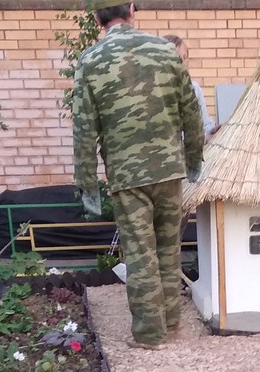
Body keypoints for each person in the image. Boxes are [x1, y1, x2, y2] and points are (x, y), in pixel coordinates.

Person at [74, 0, 203, 351]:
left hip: (126, 175)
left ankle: (150, 335)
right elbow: (190, 111)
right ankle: (171, 323)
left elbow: (84, 128)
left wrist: (87, 183)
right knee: (168, 249)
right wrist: (194, 159)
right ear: (131, 9)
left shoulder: (90, 61)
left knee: (140, 254)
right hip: (169, 169)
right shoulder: (166, 51)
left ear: (96, 17)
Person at [164, 35, 216, 140]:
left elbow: (206, 124)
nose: (185, 62)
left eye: (185, 57)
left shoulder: (195, 89)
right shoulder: (158, 91)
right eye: (179, 58)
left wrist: (213, 132)